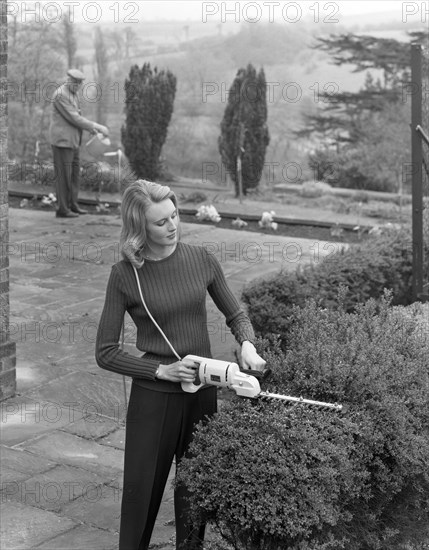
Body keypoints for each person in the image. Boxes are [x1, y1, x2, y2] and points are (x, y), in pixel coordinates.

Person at [95, 179, 266, 550]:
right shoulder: (125, 275)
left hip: (203, 394)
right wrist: (161, 370)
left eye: (175, 215)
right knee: (141, 497)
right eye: (161, 222)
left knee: (195, 494)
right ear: (140, 227)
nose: (172, 226)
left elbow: (235, 313)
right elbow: (105, 351)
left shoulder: (201, 259)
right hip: (154, 399)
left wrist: (248, 345)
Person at [49, 69, 109, 218]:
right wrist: (97, 126)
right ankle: (63, 209)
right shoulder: (60, 95)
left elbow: (77, 118)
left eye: (80, 83)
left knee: (74, 175)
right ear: (68, 80)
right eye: (74, 82)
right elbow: (74, 118)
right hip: (62, 142)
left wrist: (91, 130)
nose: (77, 85)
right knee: (64, 176)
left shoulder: (72, 94)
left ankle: (73, 205)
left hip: (73, 141)